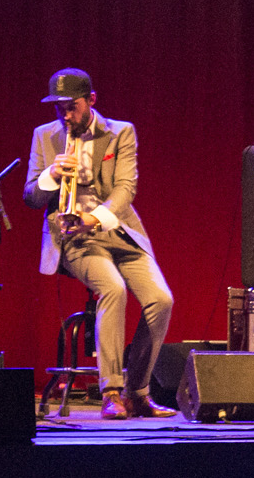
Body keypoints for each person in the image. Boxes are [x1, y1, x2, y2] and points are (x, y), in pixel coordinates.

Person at [24, 68, 175, 419]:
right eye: (58, 107)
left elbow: (126, 188)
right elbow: (30, 196)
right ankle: (111, 391)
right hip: (74, 239)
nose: (65, 114)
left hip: (117, 230)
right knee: (114, 289)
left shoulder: (120, 132)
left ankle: (138, 392)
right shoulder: (45, 136)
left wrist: (97, 217)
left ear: (91, 100)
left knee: (160, 299)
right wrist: (50, 176)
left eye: (71, 106)